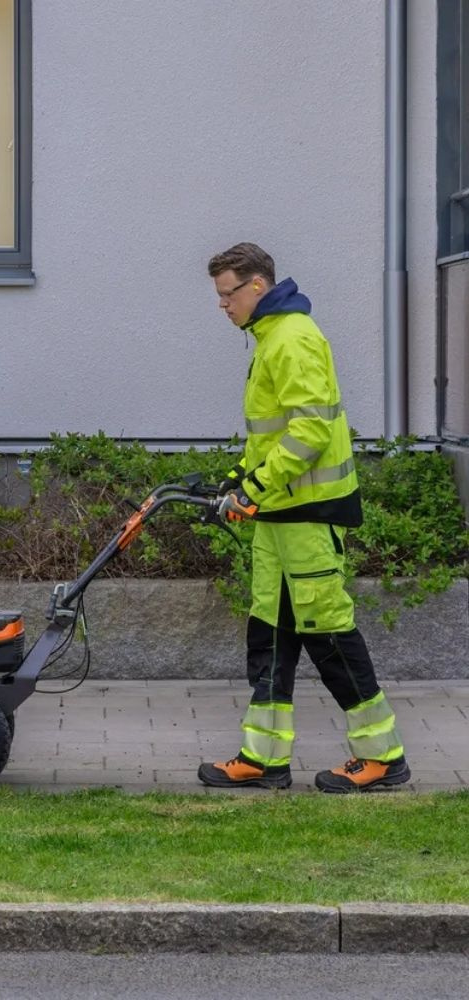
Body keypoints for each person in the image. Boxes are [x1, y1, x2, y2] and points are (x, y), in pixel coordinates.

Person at [198, 242, 410, 793]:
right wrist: (238, 479)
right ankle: (263, 758)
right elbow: (270, 434)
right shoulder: (270, 340)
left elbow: (310, 433)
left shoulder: (292, 339)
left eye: (227, 295)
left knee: (329, 635)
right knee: (272, 634)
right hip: (280, 517)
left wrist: (257, 487)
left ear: (257, 287)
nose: (222, 306)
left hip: (309, 516)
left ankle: (382, 756)